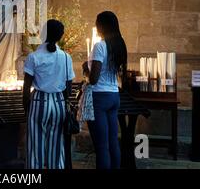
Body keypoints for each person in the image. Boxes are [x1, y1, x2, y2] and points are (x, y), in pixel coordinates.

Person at [23, 19, 75, 169]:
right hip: (58, 103)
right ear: (60, 36)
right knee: (56, 148)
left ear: (43, 34)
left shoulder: (34, 57)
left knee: (35, 147)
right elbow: (69, 88)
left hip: (39, 102)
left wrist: (25, 108)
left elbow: (26, 88)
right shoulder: (66, 57)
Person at [82, 11, 127, 169]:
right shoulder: (120, 45)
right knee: (113, 142)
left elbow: (93, 78)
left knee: (101, 146)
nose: (95, 25)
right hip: (114, 95)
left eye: (97, 22)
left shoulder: (100, 46)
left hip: (99, 97)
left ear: (102, 25)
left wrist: (85, 70)